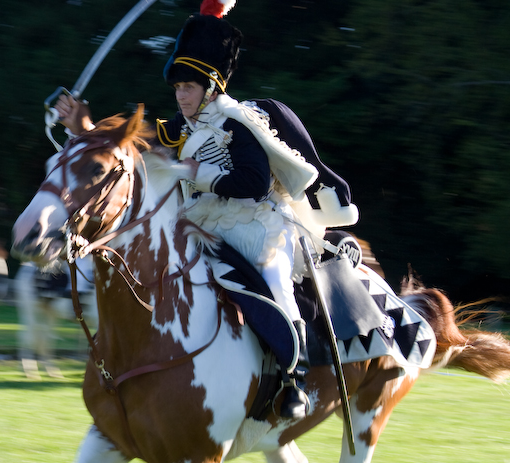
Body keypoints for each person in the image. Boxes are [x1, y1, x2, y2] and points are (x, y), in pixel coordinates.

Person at [55, 0, 359, 419]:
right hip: (207, 228)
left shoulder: (239, 121)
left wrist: (198, 174)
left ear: (211, 86)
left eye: (188, 87)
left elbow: (252, 184)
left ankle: (296, 378)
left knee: (274, 287)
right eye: (177, 88)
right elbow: (134, 147)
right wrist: (83, 127)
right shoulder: (183, 127)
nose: (180, 96)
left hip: (261, 226)